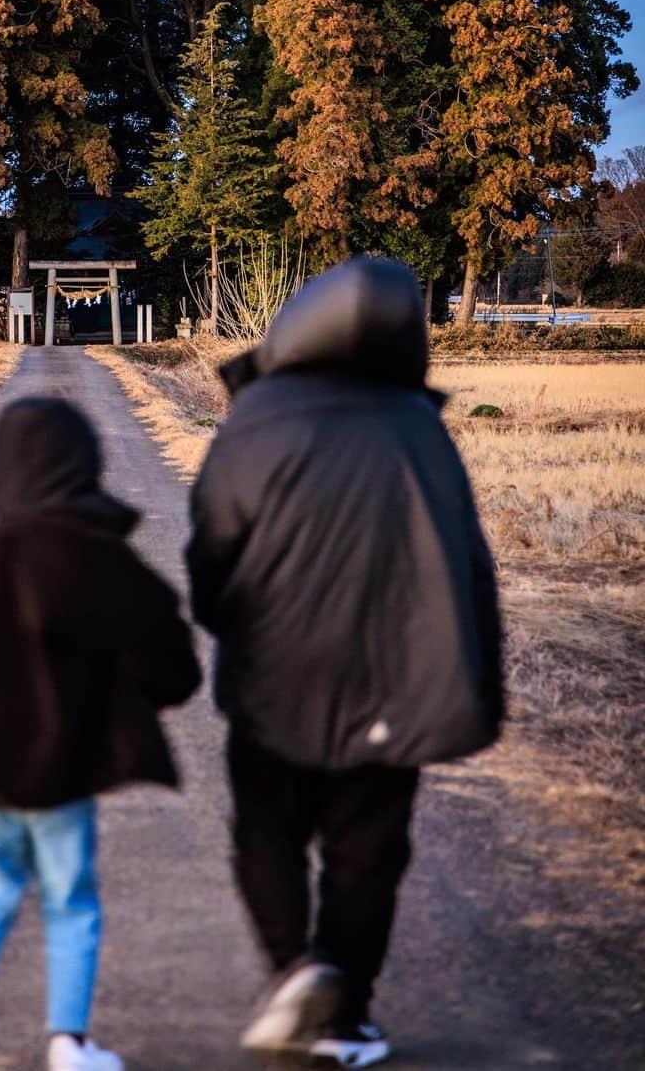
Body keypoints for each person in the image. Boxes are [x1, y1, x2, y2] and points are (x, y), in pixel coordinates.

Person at [187, 256, 503, 1069]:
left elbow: (213, 549)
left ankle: (296, 971)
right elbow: (469, 564)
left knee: (269, 828)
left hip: (274, 671)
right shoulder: (418, 428)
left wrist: (227, 624)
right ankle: (344, 1007)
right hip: (396, 678)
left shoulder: (256, 417)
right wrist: (477, 677)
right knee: (369, 850)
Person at [0, 396, 201, 1071]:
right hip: (59, 766)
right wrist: (154, 695)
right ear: (85, 468)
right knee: (70, 900)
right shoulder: (91, 551)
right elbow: (164, 643)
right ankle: (68, 1044)